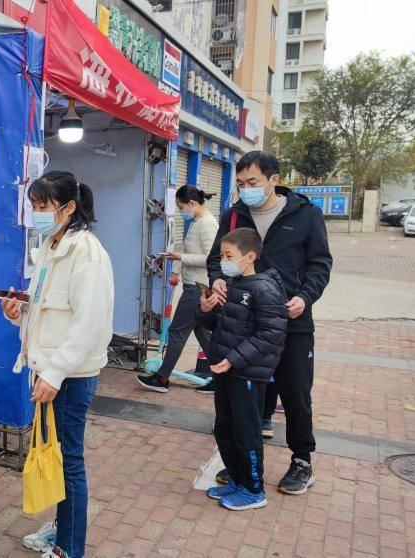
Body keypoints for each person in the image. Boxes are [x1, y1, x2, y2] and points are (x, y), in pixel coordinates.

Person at [1, 171, 114, 558]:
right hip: (49, 372)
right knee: (55, 458)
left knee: (69, 463)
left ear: (68, 208)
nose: (36, 214)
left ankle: (69, 548)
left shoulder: (88, 253)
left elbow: (87, 324)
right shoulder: (53, 245)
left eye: (43, 206)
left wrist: (54, 374)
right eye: (32, 206)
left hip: (68, 377)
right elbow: (47, 310)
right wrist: (17, 313)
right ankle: (60, 530)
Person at [207, 151, 332, 495]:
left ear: (274, 179)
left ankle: (302, 461)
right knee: (242, 399)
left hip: (291, 322)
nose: (246, 189)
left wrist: (305, 297)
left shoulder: (304, 215)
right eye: (241, 183)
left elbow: (320, 265)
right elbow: (216, 260)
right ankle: (240, 468)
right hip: (244, 325)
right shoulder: (233, 216)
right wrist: (217, 279)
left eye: (253, 182)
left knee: (295, 393)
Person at [197, 228, 288, 511]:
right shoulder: (233, 284)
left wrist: (234, 359)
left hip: (246, 373)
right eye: (222, 255)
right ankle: (236, 479)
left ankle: (253, 488)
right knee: (225, 428)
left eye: (228, 256)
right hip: (225, 371)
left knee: (247, 432)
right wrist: (206, 308)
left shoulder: (264, 289)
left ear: (249, 257)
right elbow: (217, 325)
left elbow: (270, 335)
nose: (222, 261)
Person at [137, 184, 218, 394]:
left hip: (198, 288)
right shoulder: (198, 221)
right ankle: (221, 377)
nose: (181, 211)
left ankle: (162, 378)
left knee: (177, 332)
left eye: (181, 207)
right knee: (203, 335)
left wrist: (179, 257)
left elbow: (211, 258)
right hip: (196, 286)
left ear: (192, 204)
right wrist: (178, 267)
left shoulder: (207, 224)